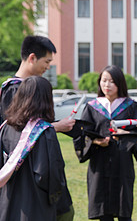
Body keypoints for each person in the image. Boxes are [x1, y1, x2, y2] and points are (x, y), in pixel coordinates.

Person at [0, 35, 75, 220]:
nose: (48, 67)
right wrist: (54, 127)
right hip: (25, 177)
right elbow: (20, 132)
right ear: (32, 57)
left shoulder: (30, 87)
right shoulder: (12, 90)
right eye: (47, 61)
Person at [73, 65, 137, 221]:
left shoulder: (131, 106)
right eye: (104, 81)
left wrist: (126, 135)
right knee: (103, 211)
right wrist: (95, 142)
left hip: (122, 163)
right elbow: (81, 134)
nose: (107, 85)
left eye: (112, 81)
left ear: (120, 84)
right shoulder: (92, 107)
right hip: (99, 164)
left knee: (123, 207)